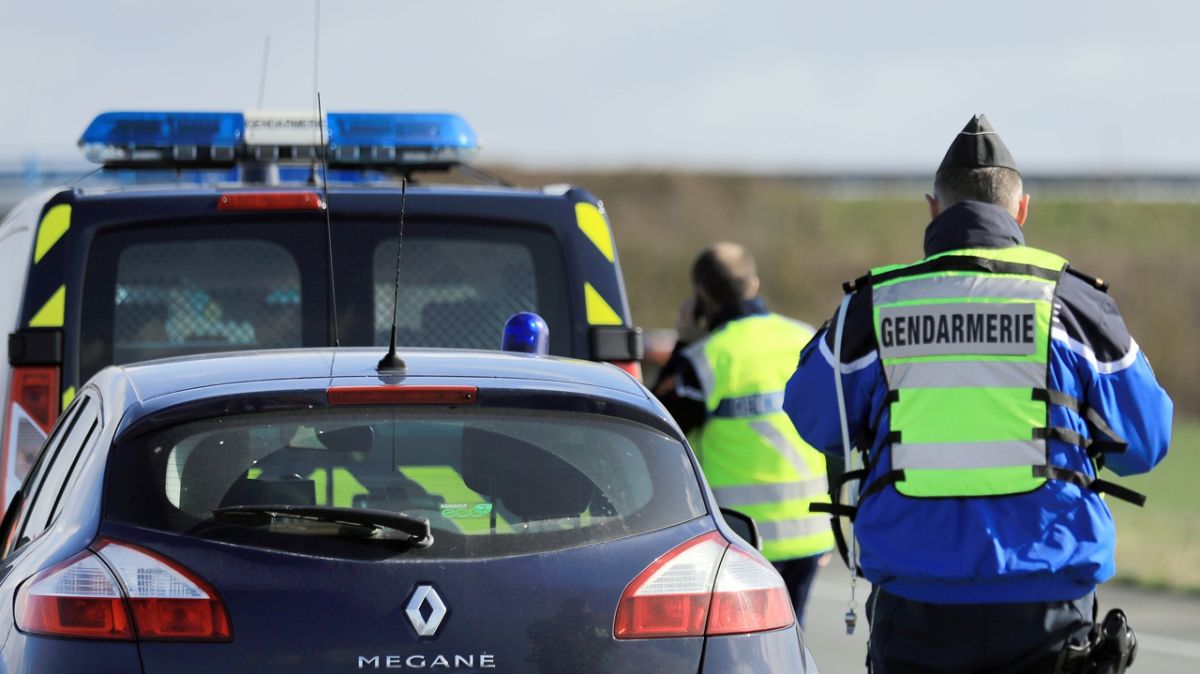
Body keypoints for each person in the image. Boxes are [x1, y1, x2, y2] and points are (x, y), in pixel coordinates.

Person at [782, 115, 1172, 673]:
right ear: (1021, 210)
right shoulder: (1076, 304)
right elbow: (1146, 443)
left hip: (916, 608)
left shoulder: (873, 307)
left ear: (932, 209)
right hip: (1048, 606)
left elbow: (813, 415)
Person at [652, 242, 834, 626]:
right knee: (789, 645)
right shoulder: (805, 339)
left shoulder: (704, 358)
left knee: (742, 650)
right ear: (753, 283)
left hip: (740, 540)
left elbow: (657, 427)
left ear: (702, 295)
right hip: (809, 532)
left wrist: (682, 342)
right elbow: (835, 430)